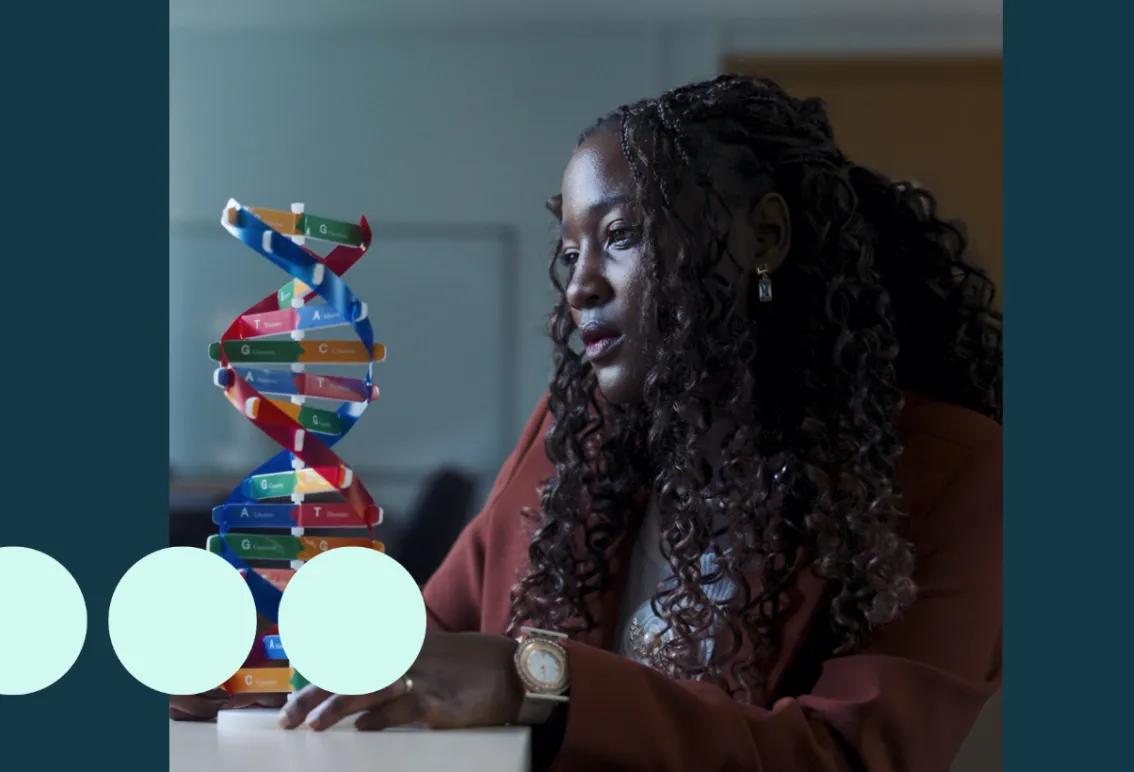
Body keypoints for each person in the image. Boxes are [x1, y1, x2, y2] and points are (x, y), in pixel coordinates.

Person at [218, 74, 1003, 771]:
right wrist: (249, 675)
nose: (578, 287)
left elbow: (845, 755)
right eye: (571, 250)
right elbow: (421, 648)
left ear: (763, 238)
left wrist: (530, 679)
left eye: (620, 237)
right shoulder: (574, 439)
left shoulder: (955, 472)